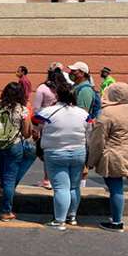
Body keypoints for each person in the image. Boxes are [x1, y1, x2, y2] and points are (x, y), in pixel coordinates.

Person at [35, 82, 89, 231]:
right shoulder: (83, 113)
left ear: (57, 95)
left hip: (55, 153)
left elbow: (36, 125)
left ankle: (59, 220)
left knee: (61, 188)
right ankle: (72, 217)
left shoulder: (48, 112)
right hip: (79, 152)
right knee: (74, 187)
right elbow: (89, 130)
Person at [88, 82, 128, 233]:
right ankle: (116, 218)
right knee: (117, 186)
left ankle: (117, 221)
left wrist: (91, 161)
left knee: (115, 188)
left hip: (114, 155)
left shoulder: (107, 113)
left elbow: (98, 140)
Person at [0, 82, 35, 221]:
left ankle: (1, 186)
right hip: (12, 145)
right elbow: (26, 134)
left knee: (3, 161)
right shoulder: (22, 110)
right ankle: (6, 211)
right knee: (11, 177)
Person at [32, 69, 67, 190]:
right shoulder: (65, 87)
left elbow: (36, 109)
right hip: (63, 122)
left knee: (47, 152)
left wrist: (36, 128)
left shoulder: (42, 88)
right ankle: (58, 179)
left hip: (46, 124)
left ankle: (47, 179)